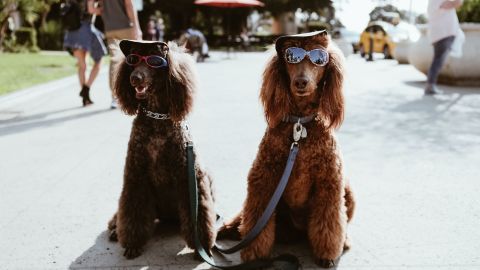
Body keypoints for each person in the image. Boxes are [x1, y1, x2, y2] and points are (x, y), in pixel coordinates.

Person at [98, 0, 142, 108]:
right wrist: (136, 27)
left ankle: (115, 97)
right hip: (126, 27)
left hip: (109, 28)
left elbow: (92, 8)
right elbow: (129, 4)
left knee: (114, 61)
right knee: (134, 58)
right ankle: (137, 93)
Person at [63, 0, 107, 106]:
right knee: (99, 61)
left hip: (72, 32)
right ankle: (86, 89)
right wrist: (104, 10)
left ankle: (85, 98)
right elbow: (91, 9)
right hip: (86, 30)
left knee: (82, 65)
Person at [426, 0, 464, 95]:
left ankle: (430, 85)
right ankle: (430, 86)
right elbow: (456, 3)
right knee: (438, 61)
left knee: (438, 60)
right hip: (443, 35)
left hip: (442, 34)